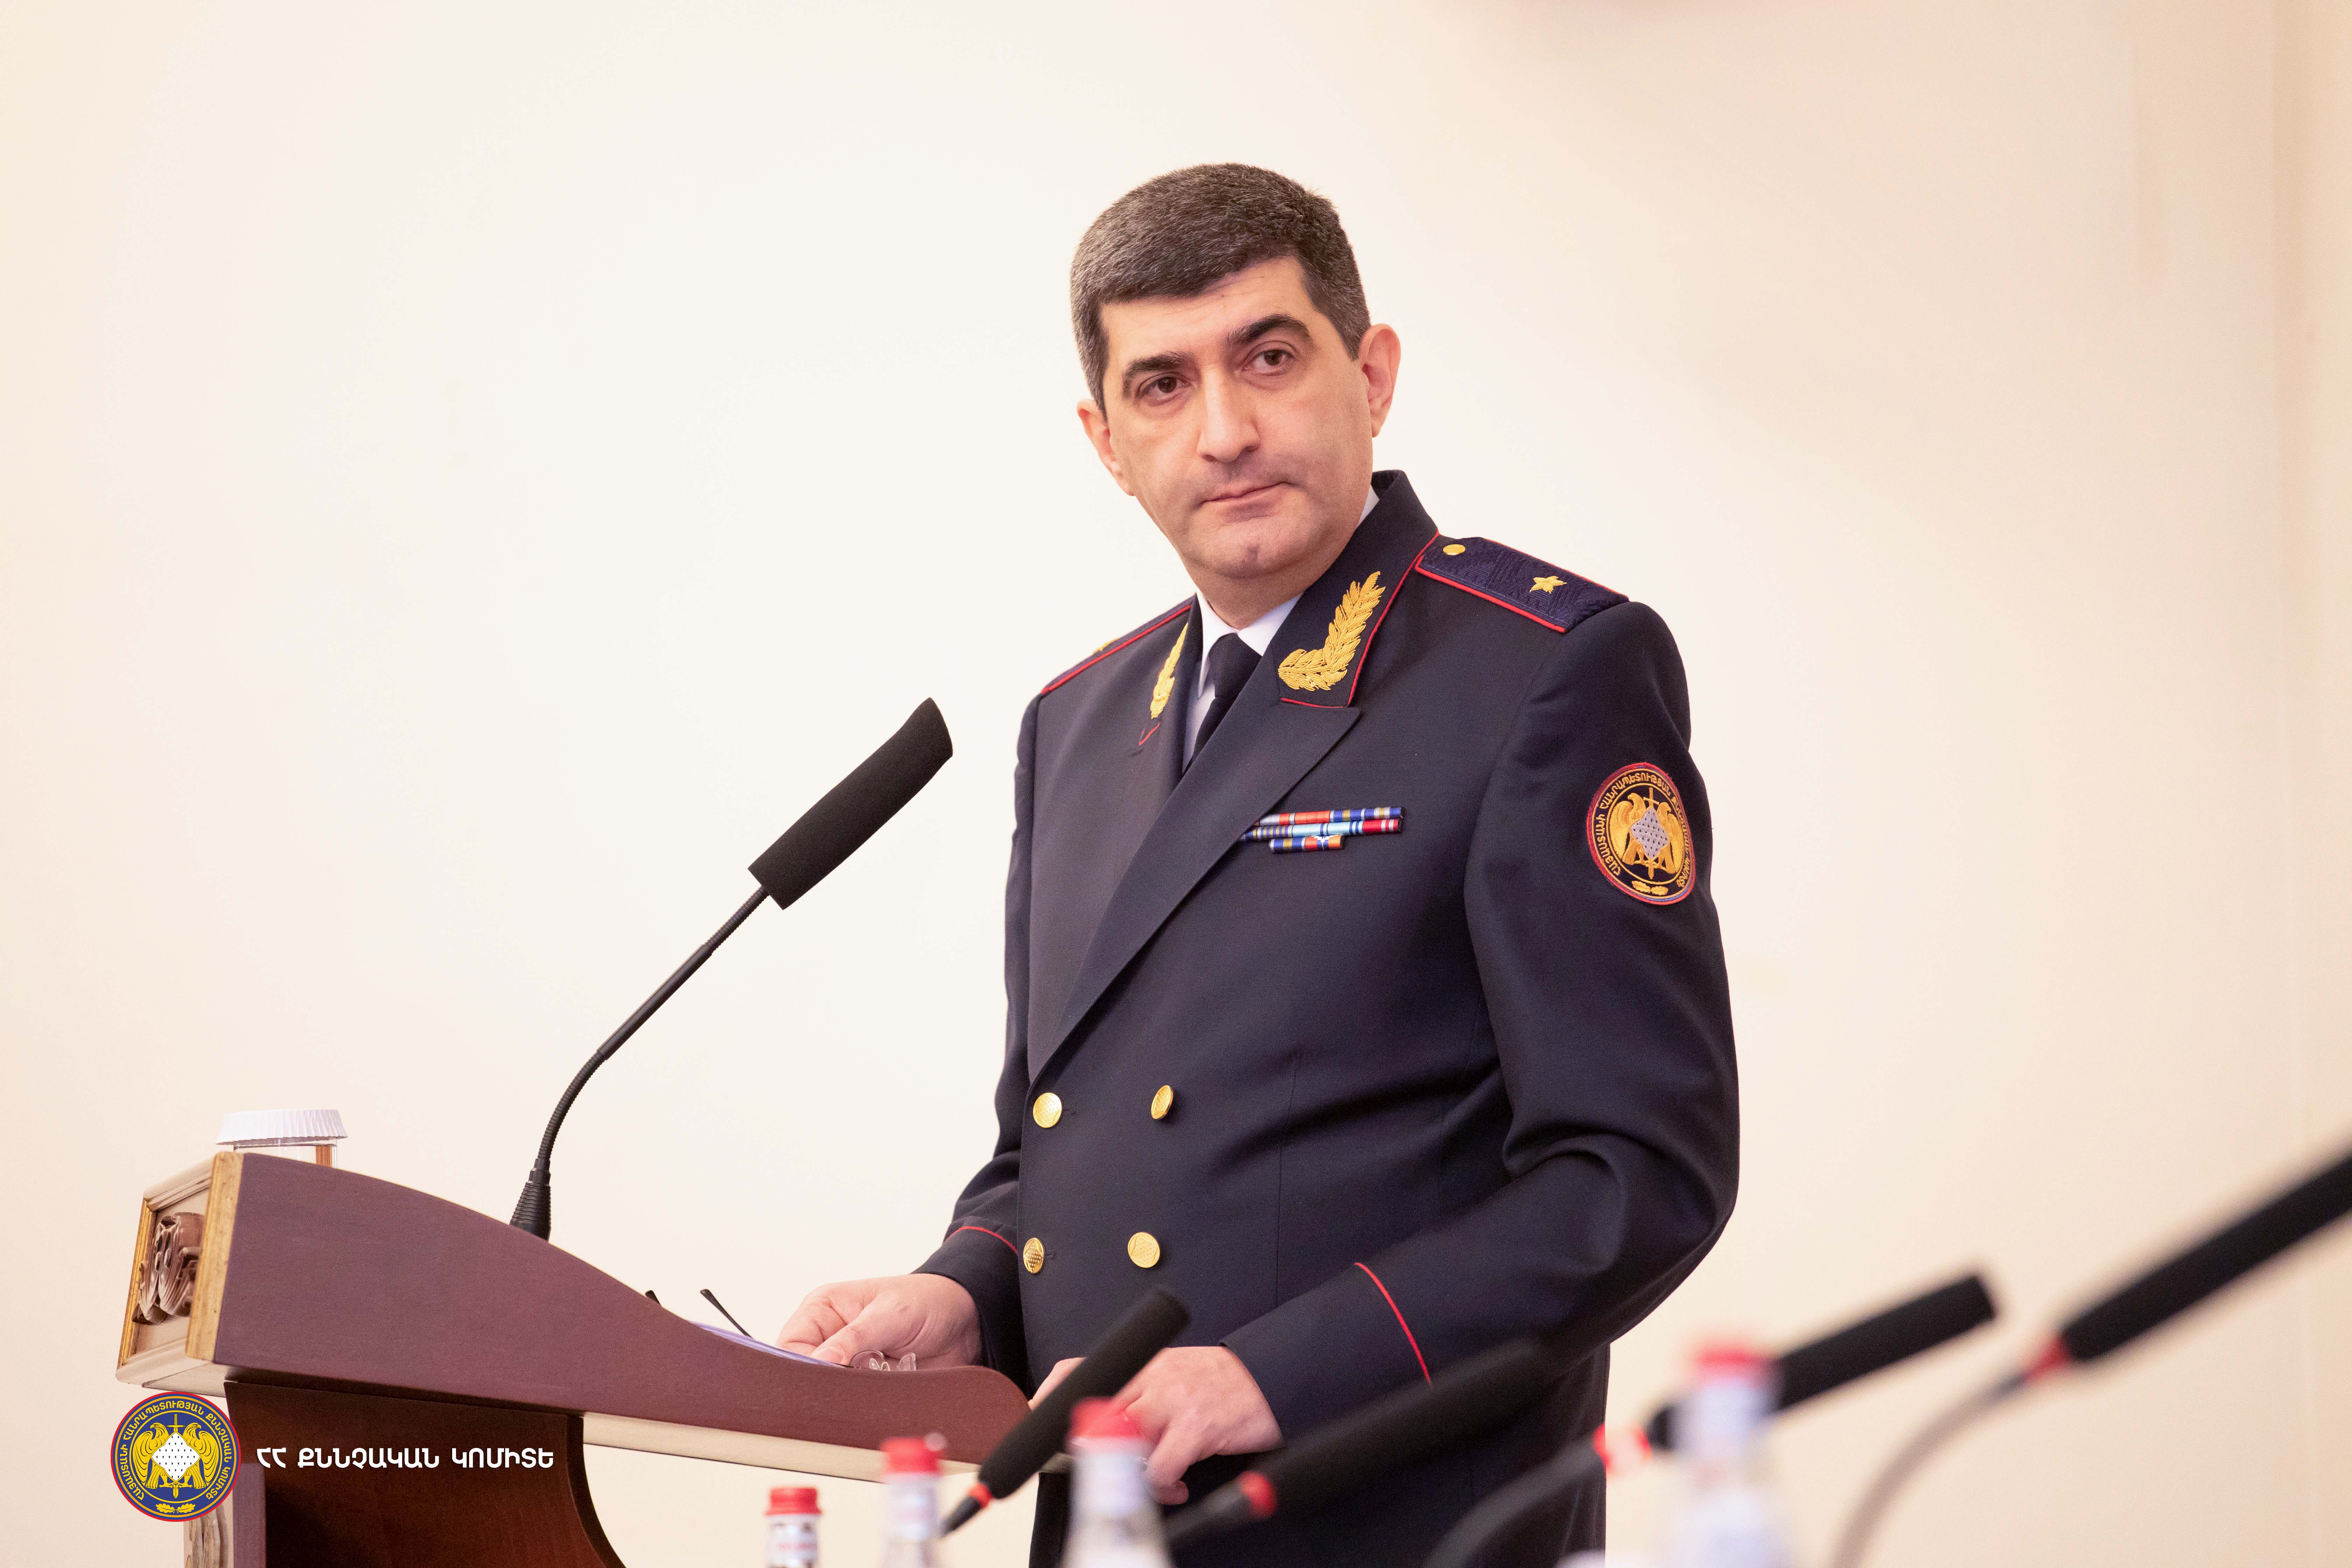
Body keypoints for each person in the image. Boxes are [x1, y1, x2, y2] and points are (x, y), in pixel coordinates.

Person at [780, 163, 1738, 1567]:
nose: (1225, 430)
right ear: (1108, 443)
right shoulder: (1077, 724)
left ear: (1373, 374)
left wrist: (1269, 1374)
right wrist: (969, 1291)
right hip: (1117, 1528)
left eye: (1270, 358)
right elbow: (1055, 1145)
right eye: (1163, 386)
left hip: (1399, 1523)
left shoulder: (1542, 673)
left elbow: (1636, 1176)